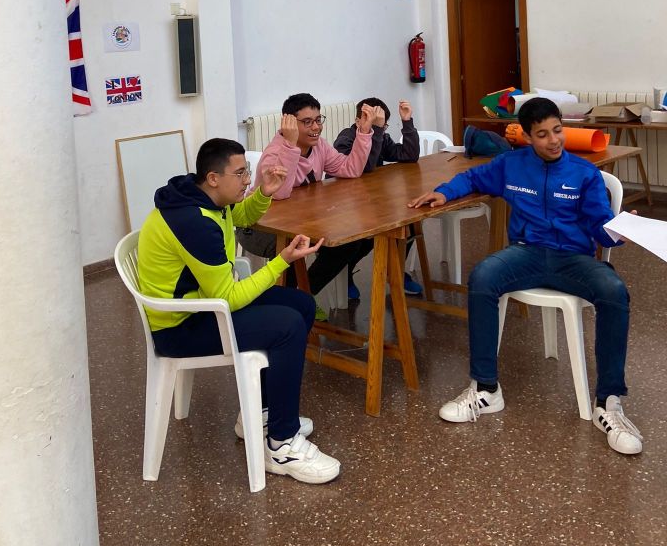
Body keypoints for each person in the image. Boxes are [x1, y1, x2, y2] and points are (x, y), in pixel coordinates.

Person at [409, 96, 642, 456]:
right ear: (528, 137)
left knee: (614, 290)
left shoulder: (585, 174)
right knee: (483, 277)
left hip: (572, 259)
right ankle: (486, 389)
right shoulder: (510, 165)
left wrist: (620, 231)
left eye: (558, 130)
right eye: (543, 134)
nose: (554, 140)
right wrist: (443, 192)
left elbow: (601, 227)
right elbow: (471, 177)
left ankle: (608, 403)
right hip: (526, 253)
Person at [138, 137, 341, 484]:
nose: (247, 179)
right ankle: (282, 445)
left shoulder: (202, 196)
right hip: (180, 328)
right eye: (241, 173)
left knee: (302, 303)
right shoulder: (194, 223)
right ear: (213, 178)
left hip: (202, 306)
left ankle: (260, 416)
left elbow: (239, 215)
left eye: (247, 171)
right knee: (289, 325)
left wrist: (263, 193)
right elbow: (228, 298)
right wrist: (281, 261)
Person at [247, 92, 377, 318]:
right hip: (259, 228)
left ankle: (303, 295)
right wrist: (289, 145)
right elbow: (280, 193)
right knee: (294, 246)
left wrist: (364, 132)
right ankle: (289, 306)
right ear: (289, 123)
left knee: (353, 241)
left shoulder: (319, 147)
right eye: (307, 122)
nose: (316, 127)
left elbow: (350, 169)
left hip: (303, 222)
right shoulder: (274, 153)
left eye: (318, 120)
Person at [331, 97, 423, 300]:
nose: (379, 131)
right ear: (358, 121)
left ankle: (395, 269)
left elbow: (409, 155)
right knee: (364, 238)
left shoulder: (382, 137)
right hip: (345, 205)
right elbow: (365, 167)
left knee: (409, 220)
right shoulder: (346, 138)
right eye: (376, 125)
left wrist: (407, 122)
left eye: (383, 126)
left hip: (371, 200)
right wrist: (377, 131)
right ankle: (344, 272)